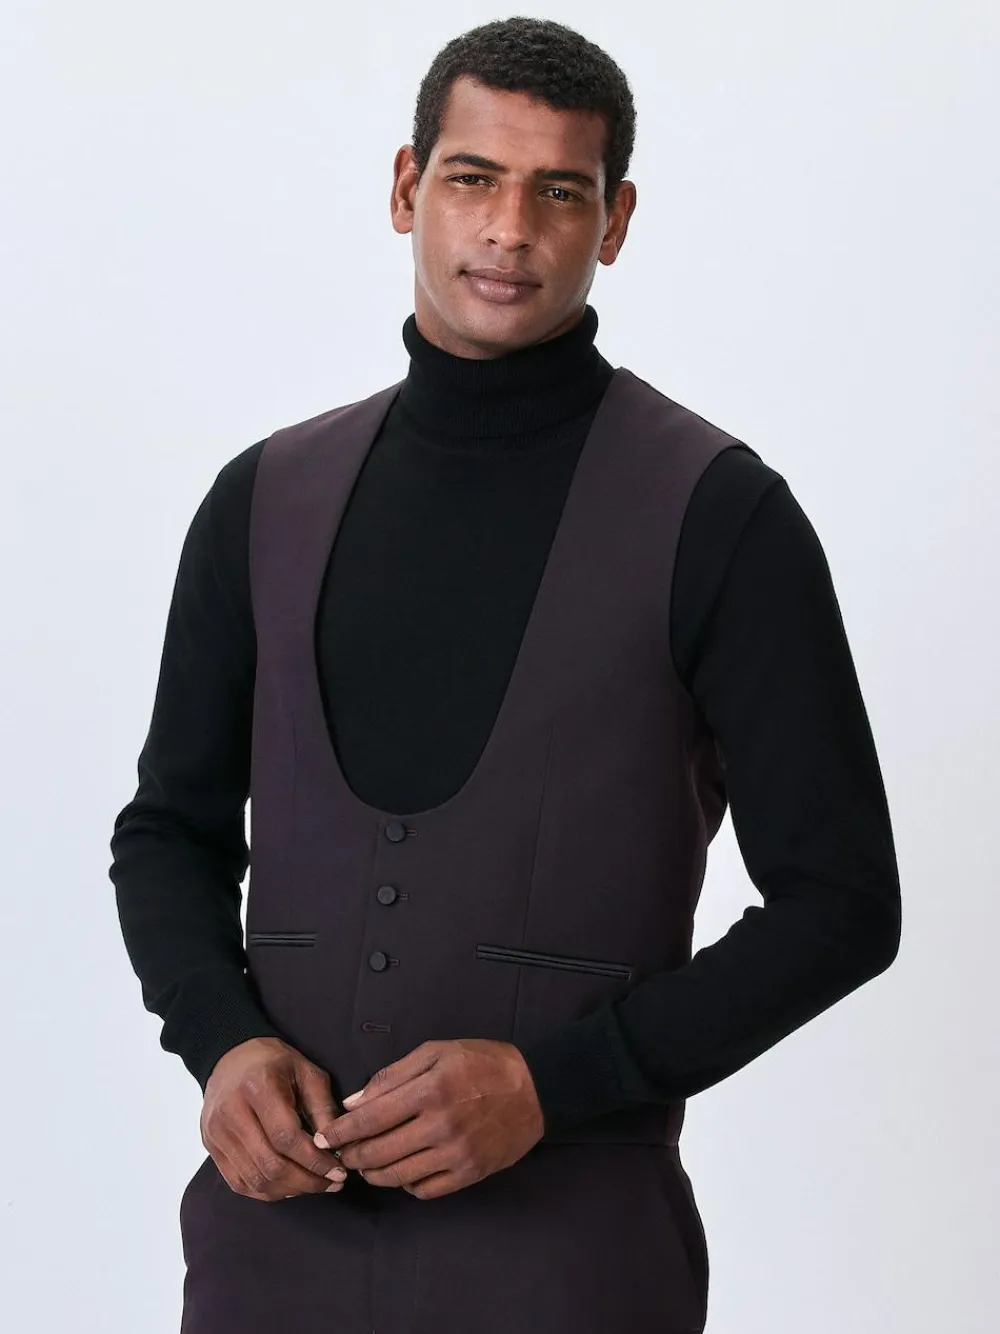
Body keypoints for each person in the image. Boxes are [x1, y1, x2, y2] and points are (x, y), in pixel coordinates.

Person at [109, 16, 901, 1333]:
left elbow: (843, 905)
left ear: (617, 221)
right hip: (269, 1256)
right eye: (474, 178)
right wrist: (221, 1039)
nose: (509, 230)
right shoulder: (260, 502)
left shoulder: (721, 517)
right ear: (407, 186)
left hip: (574, 1266)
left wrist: (556, 1082)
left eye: (560, 192)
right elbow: (168, 832)